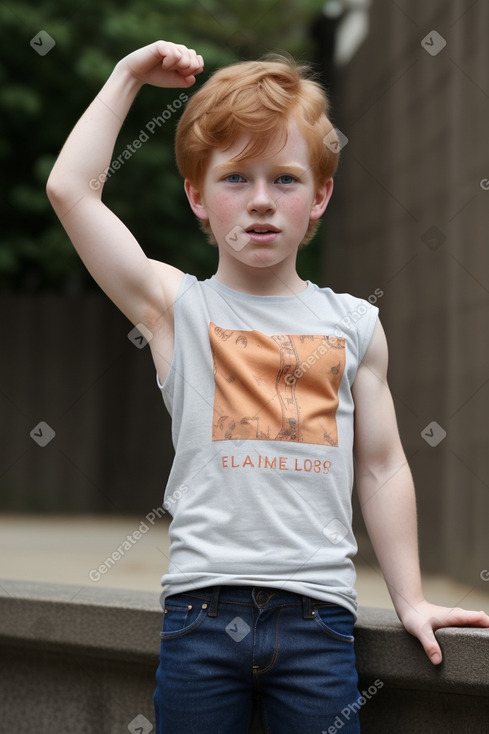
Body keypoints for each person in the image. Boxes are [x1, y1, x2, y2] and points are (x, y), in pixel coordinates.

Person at [46, 40, 489, 734]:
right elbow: (71, 191)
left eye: (284, 179)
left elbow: (381, 466)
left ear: (320, 196)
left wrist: (409, 599)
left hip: (319, 620)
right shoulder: (175, 308)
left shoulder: (354, 325)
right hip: (200, 615)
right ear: (197, 194)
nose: (260, 201)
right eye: (234, 179)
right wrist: (128, 74)